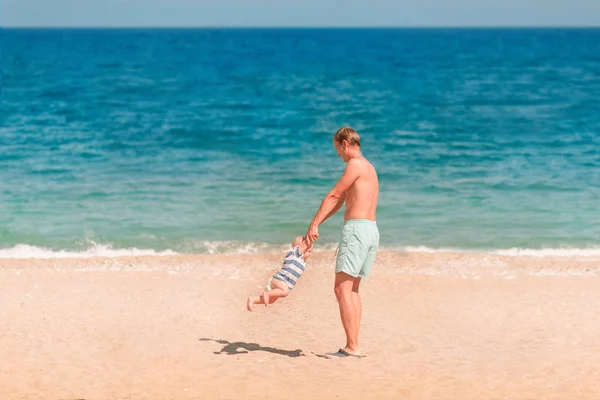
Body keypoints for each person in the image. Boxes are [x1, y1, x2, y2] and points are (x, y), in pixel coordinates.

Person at [306, 126, 379, 359]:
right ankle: (354, 345)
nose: (338, 154)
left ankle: (352, 347)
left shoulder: (355, 165)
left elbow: (333, 195)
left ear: (345, 143)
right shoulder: (369, 168)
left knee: (341, 289)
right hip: (371, 230)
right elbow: (341, 201)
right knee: (353, 290)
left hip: (357, 231)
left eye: (338, 149)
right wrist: (321, 222)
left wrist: (313, 224)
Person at [247, 236, 313, 311]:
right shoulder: (295, 254)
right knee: (285, 292)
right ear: (302, 249)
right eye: (309, 251)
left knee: (271, 301)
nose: (310, 254)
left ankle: (253, 299)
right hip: (280, 279)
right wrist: (311, 234)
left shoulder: (303, 263)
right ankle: (267, 294)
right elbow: (305, 244)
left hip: (282, 284)